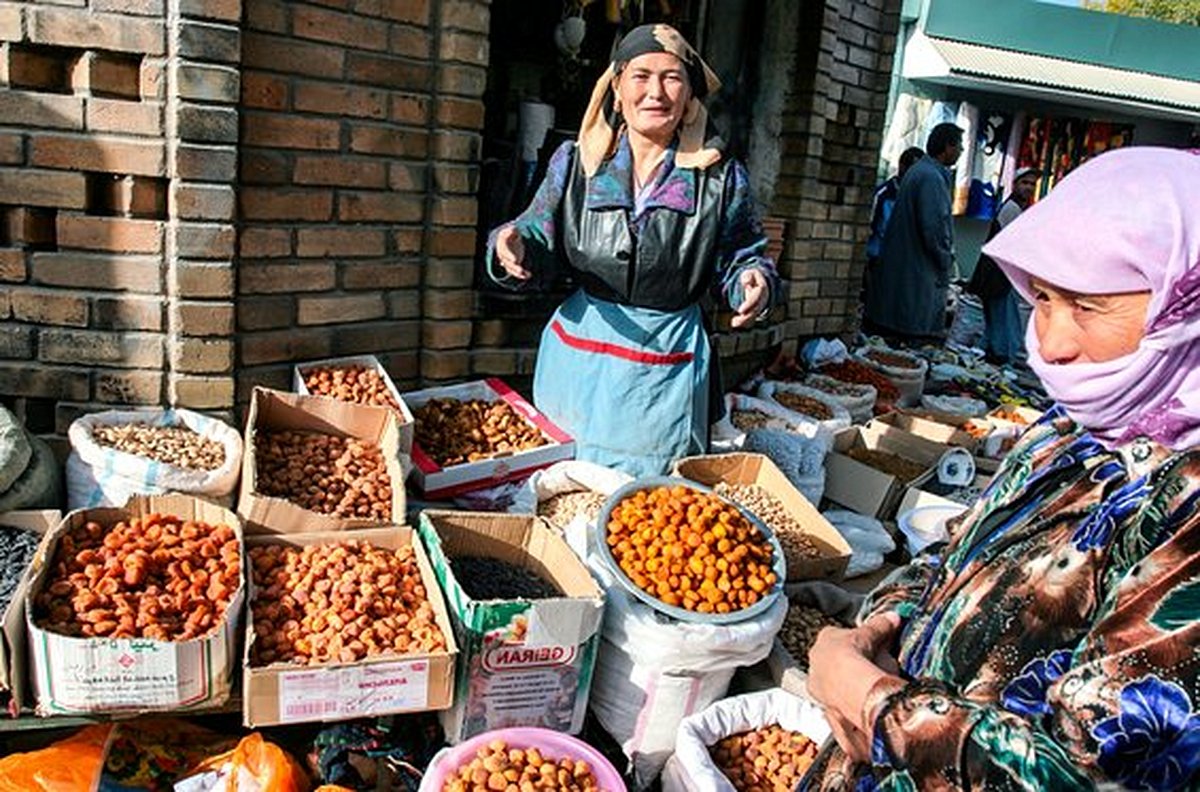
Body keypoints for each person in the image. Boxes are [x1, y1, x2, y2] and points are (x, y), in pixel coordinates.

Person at [802, 147, 1200, 790]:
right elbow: (963, 551)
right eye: (1042, 299)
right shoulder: (1070, 427)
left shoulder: (1189, 506)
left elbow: (1094, 769)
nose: (1052, 343)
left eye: (1089, 306)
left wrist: (876, 702)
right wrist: (885, 619)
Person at [489, 24, 778, 476]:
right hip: (579, 357)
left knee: (648, 505)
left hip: (665, 367)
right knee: (565, 482)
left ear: (689, 99)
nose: (655, 92)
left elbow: (742, 255)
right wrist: (512, 242)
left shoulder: (720, 180)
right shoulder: (576, 163)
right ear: (617, 88)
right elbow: (536, 230)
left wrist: (752, 280)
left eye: (672, 78)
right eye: (641, 76)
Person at [863, 123, 963, 342]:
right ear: (948, 146)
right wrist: (945, 259)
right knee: (907, 336)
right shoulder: (930, 177)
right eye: (959, 146)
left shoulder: (925, 172)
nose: (961, 152)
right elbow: (933, 228)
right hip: (917, 273)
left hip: (909, 268)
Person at [968, 165, 1039, 364]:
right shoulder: (1012, 209)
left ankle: (990, 356)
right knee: (1003, 321)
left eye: (1032, 184)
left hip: (1000, 274)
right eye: (1025, 183)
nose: (1029, 188)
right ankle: (1000, 358)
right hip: (999, 274)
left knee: (998, 321)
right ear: (1015, 185)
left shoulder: (1016, 207)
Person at [865, 146, 925, 268]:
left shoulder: (921, 196)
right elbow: (870, 227)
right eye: (913, 170)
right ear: (902, 167)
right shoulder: (884, 194)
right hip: (880, 258)